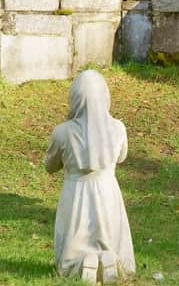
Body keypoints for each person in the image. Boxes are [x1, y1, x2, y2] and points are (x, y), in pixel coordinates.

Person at [45, 70, 136, 283]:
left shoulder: (62, 132)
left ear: (75, 98)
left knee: (74, 241)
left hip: (75, 193)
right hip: (108, 192)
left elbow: (50, 166)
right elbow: (121, 157)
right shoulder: (118, 128)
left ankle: (78, 264)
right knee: (110, 232)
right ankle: (111, 258)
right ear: (105, 96)